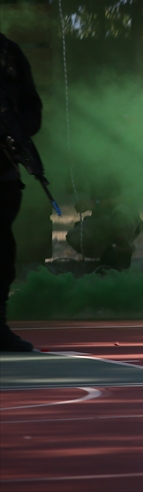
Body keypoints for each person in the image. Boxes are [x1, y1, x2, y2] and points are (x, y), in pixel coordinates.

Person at [0, 32, 42, 352]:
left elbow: (31, 109)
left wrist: (13, 133)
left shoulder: (8, 52)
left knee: (2, 252)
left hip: (2, 169)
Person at [66, 178, 143, 271]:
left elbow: (129, 198)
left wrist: (96, 204)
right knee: (75, 237)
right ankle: (108, 255)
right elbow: (70, 186)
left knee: (121, 217)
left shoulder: (125, 167)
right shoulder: (91, 169)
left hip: (126, 216)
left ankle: (123, 255)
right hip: (100, 219)